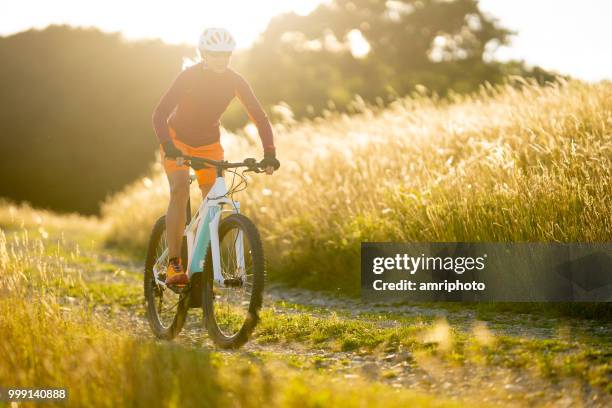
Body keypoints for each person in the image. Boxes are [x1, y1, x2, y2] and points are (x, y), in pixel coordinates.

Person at [152, 27, 280, 286]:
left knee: (215, 201)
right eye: (215, 54)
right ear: (204, 54)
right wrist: (169, 145)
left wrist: (269, 153)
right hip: (177, 141)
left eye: (226, 54)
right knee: (179, 190)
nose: (222, 59)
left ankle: (196, 264)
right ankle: (175, 263)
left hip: (209, 144)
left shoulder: (235, 80)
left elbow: (259, 116)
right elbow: (159, 114)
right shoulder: (189, 76)